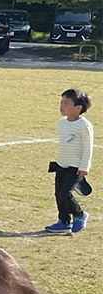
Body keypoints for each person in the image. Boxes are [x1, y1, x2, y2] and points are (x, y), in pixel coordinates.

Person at [46, 88, 92, 235]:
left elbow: (87, 148)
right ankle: (63, 221)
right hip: (61, 165)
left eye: (66, 103)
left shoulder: (84, 126)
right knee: (58, 194)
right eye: (61, 102)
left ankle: (79, 214)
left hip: (76, 167)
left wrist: (84, 167)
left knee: (66, 193)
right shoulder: (63, 123)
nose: (61, 105)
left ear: (78, 108)